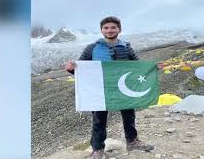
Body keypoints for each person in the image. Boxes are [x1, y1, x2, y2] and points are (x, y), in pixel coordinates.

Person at [65, 16, 154, 159]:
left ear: (119, 29)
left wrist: (153, 68)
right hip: (100, 90)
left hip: (123, 89)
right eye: (106, 28)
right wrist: (71, 68)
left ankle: (132, 141)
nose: (109, 30)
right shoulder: (92, 48)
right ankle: (97, 149)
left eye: (113, 27)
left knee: (129, 116)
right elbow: (80, 68)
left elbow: (138, 66)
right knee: (99, 120)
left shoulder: (127, 47)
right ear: (101, 30)